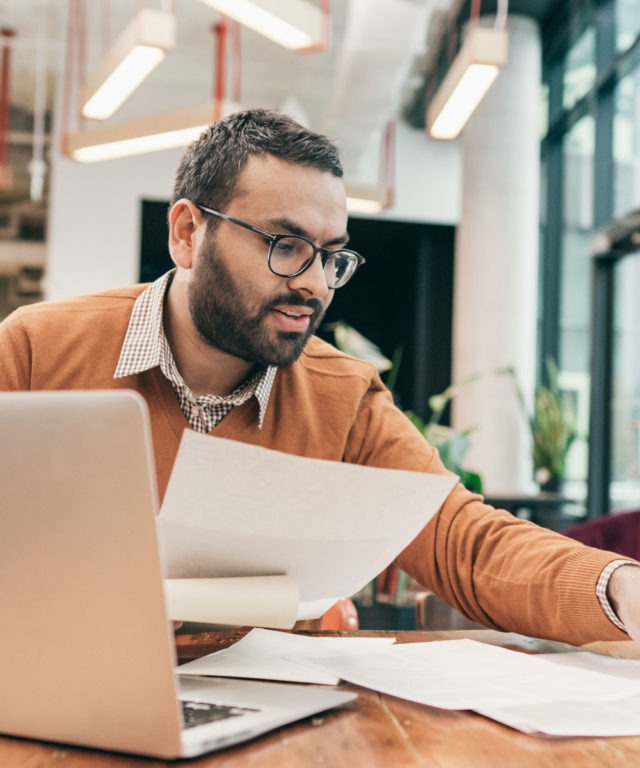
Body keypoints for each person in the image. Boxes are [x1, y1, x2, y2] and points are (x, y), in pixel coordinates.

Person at [1, 108, 638, 644]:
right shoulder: (35, 352)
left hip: (269, 723)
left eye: (331, 256)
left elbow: (463, 543)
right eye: (285, 245)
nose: (311, 283)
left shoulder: (345, 396)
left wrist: (619, 589)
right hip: (59, 690)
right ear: (188, 232)